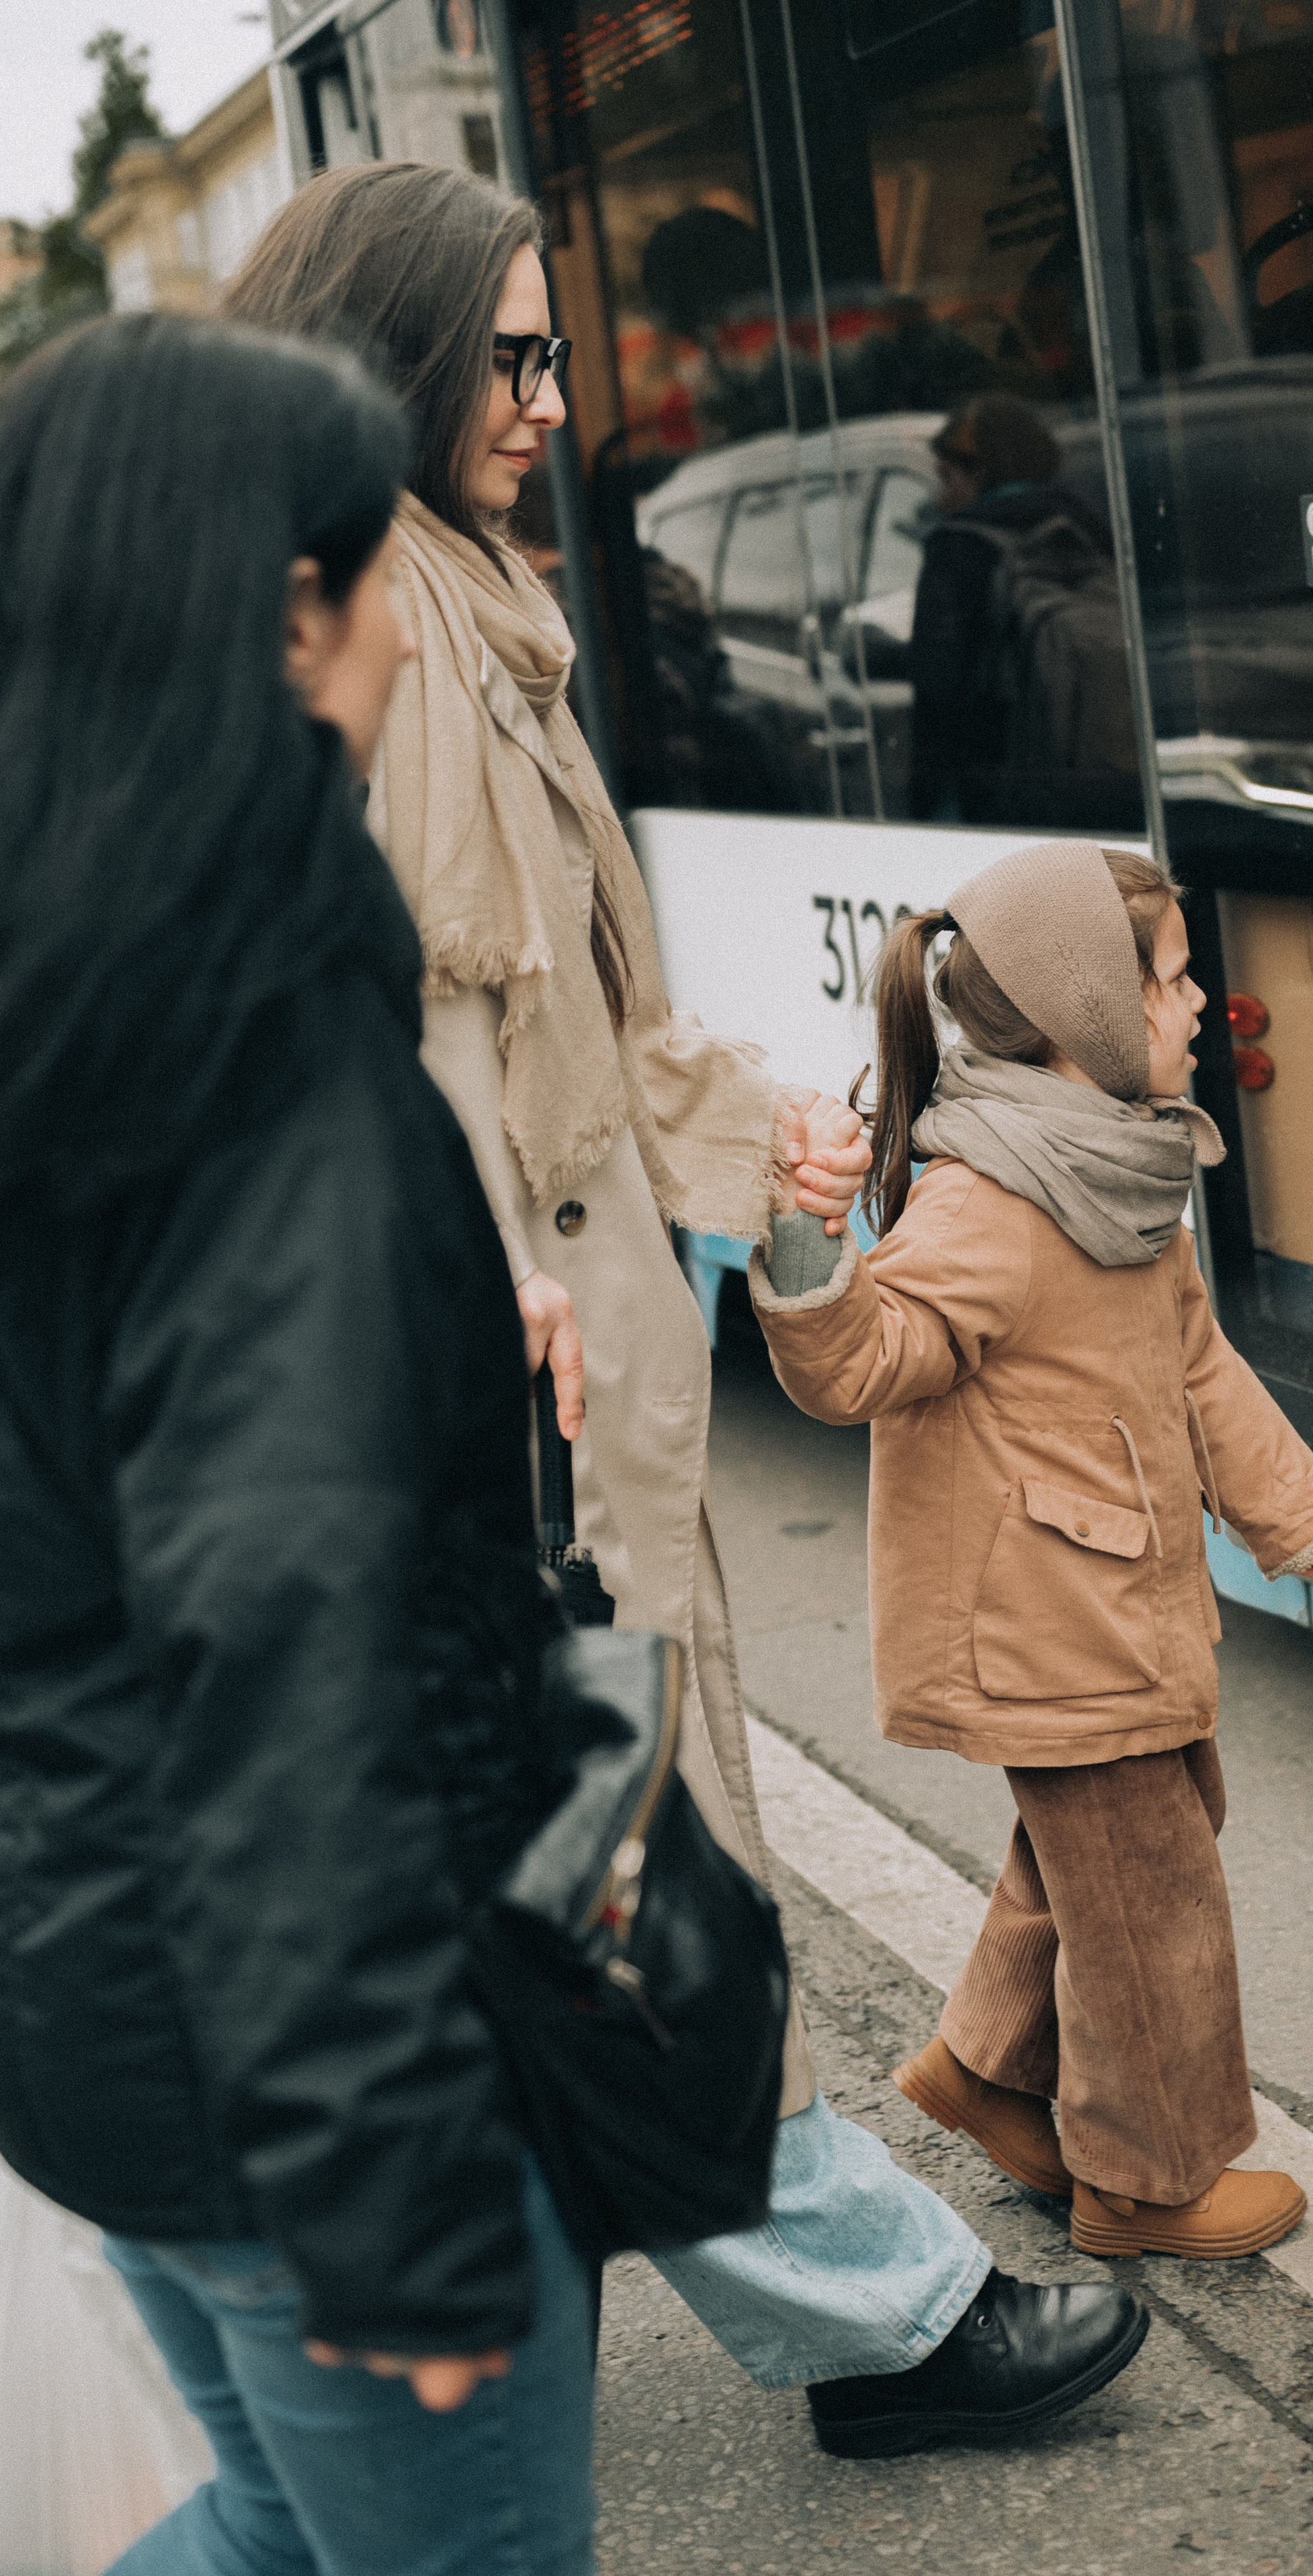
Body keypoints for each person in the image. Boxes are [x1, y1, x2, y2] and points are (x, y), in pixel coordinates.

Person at [222, 161, 1148, 2459]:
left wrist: (743, 1142)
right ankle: (879, 2315)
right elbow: (425, 1039)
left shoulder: (453, 595)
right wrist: (480, 1331)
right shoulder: (411, 638)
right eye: (516, 356)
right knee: (623, 1863)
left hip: (551, 1339)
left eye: (554, 351)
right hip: (520, 1372)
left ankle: (641, 2295)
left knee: (594, 1854)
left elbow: (577, 1013)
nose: (555, 398)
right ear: (407, 357)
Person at [0, 314, 599, 2572]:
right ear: (281, 614)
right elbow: (289, 1646)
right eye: (379, 577)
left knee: (261, 2535)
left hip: (105, 2019)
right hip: (302, 2078)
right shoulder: (260, 1060)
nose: (404, 637)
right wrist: (396, 2186)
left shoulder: (61, 996)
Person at [749, 842, 1313, 2261]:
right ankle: (1146, 2185)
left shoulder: (1116, 1163)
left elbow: (1193, 1365)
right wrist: (803, 1244)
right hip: (1044, 1615)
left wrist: (1293, 1514)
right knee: (1148, 1897)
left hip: (1110, 1597)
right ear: (1088, 1013)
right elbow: (861, 1363)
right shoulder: (990, 1201)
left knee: (1105, 1852)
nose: (1202, 1000)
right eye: (1170, 977)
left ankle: (982, 2069)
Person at [906, 394, 1132, 826]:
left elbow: (938, 693)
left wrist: (925, 806)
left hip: (1002, 791)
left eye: (947, 477)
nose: (940, 496)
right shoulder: (1097, 525)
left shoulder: (958, 549)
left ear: (978, 473)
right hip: (1111, 774)